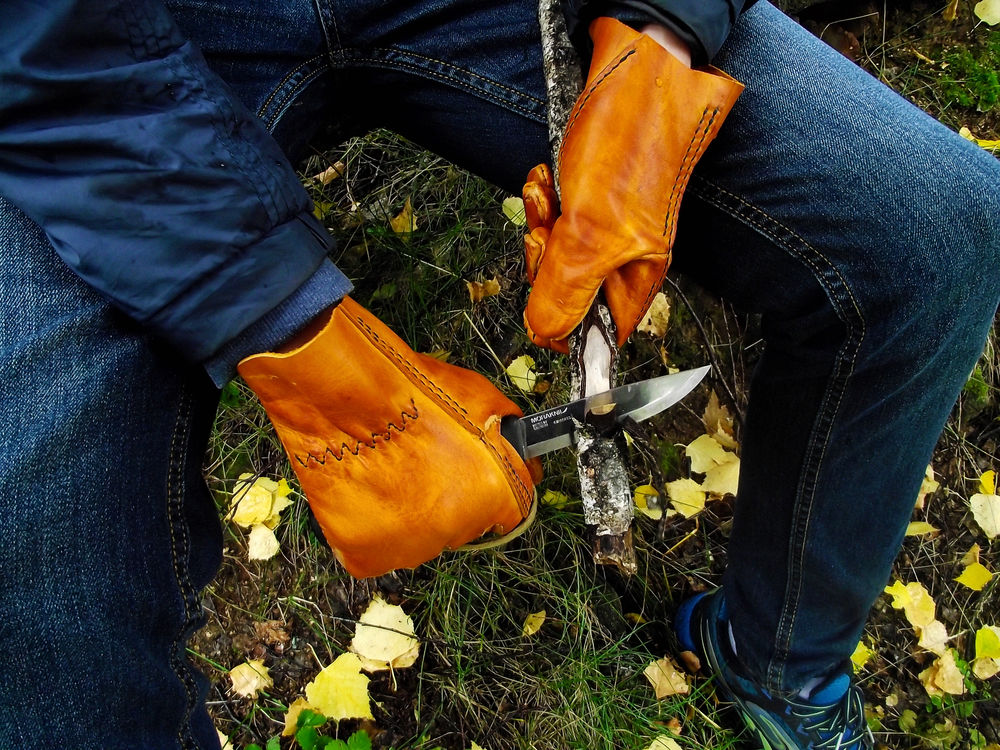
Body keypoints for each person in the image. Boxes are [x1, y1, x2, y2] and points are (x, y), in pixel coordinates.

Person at [0, 1, 997, 748]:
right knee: (35, 557)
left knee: (936, 231)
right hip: (96, 57)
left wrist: (665, 36)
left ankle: (779, 661)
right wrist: (277, 320)